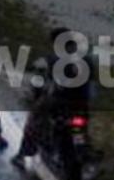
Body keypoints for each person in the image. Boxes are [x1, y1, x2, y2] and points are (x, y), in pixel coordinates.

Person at [16, 28, 97, 166]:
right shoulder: (87, 59)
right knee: (82, 127)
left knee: (34, 118)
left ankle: (23, 154)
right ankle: (85, 150)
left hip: (59, 101)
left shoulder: (54, 58)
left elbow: (39, 72)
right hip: (82, 103)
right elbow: (93, 83)